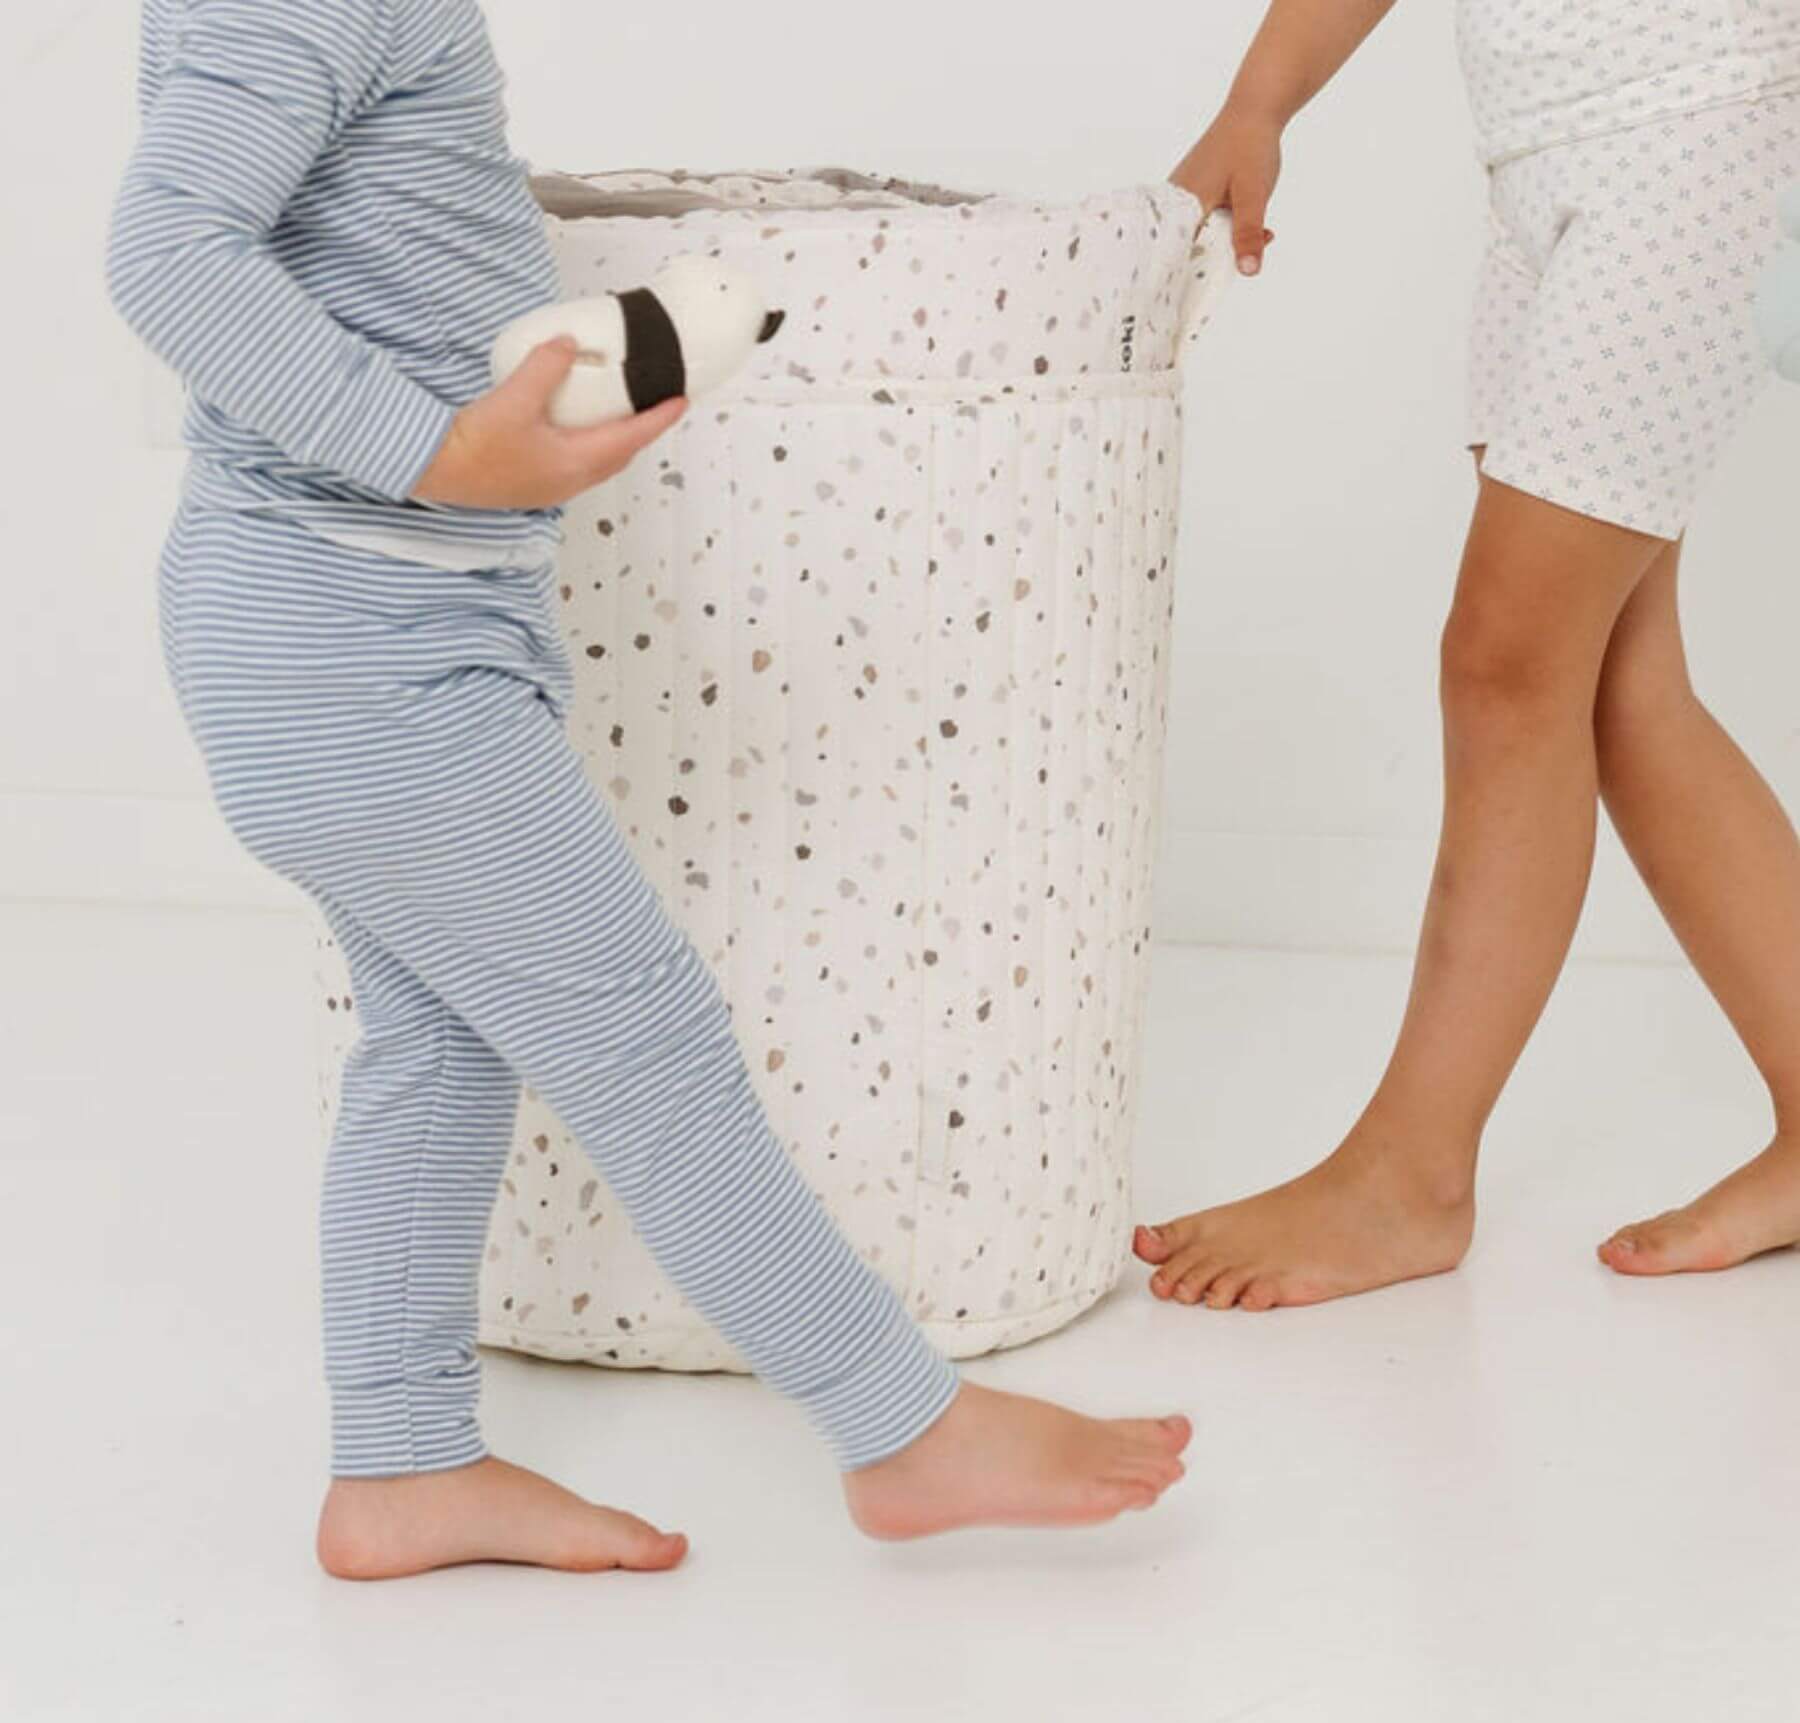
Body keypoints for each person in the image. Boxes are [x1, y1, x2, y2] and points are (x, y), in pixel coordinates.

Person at [108, 0, 1189, 1580]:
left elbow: (339, 222)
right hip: (356, 626)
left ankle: (400, 1469)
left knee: (439, 1042)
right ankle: (900, 1427)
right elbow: (165, 249)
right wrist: (433, 452)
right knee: (642, 1041)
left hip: (342, 622)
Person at [1139, 0, 1800, 1308]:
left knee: (1509, 662)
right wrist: (1261, 98)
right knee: (1618, 687)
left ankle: (1412, 1173)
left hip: (1702, 138)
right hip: (1542, 164)